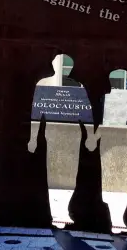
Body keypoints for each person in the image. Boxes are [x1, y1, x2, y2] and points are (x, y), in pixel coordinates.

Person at [28, 54, 94, 229]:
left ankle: (63, 210)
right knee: (55, 173)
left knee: (70, 174)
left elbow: (86, 114)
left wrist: (90, 135)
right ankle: (56, 212)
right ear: (53, 65)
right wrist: (33, 138)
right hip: (54, 134)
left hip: (73, 135)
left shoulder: (78, 86)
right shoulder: (43, 84)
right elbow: (37, 113)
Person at [85, 74, 127, 234]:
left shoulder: (109, 99)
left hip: (115, 143)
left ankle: (116, 218)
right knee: (120, 181)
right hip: (120, 144)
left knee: (116, 181)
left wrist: (94, 138)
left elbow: (103, 124)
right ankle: (116, 218)